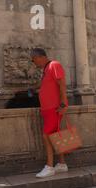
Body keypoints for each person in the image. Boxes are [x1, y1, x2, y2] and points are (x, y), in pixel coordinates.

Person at [31, 48, 69, 178]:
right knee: (55, 135)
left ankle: (49, 166)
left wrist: (63, 103)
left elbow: (62, 84)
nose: (33, 62)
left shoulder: (54, 65)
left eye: (33, 59)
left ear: (39, 57)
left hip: (54, 108)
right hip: (48, 109)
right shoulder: (46, 69)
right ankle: (62, 164)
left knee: (47, 136)